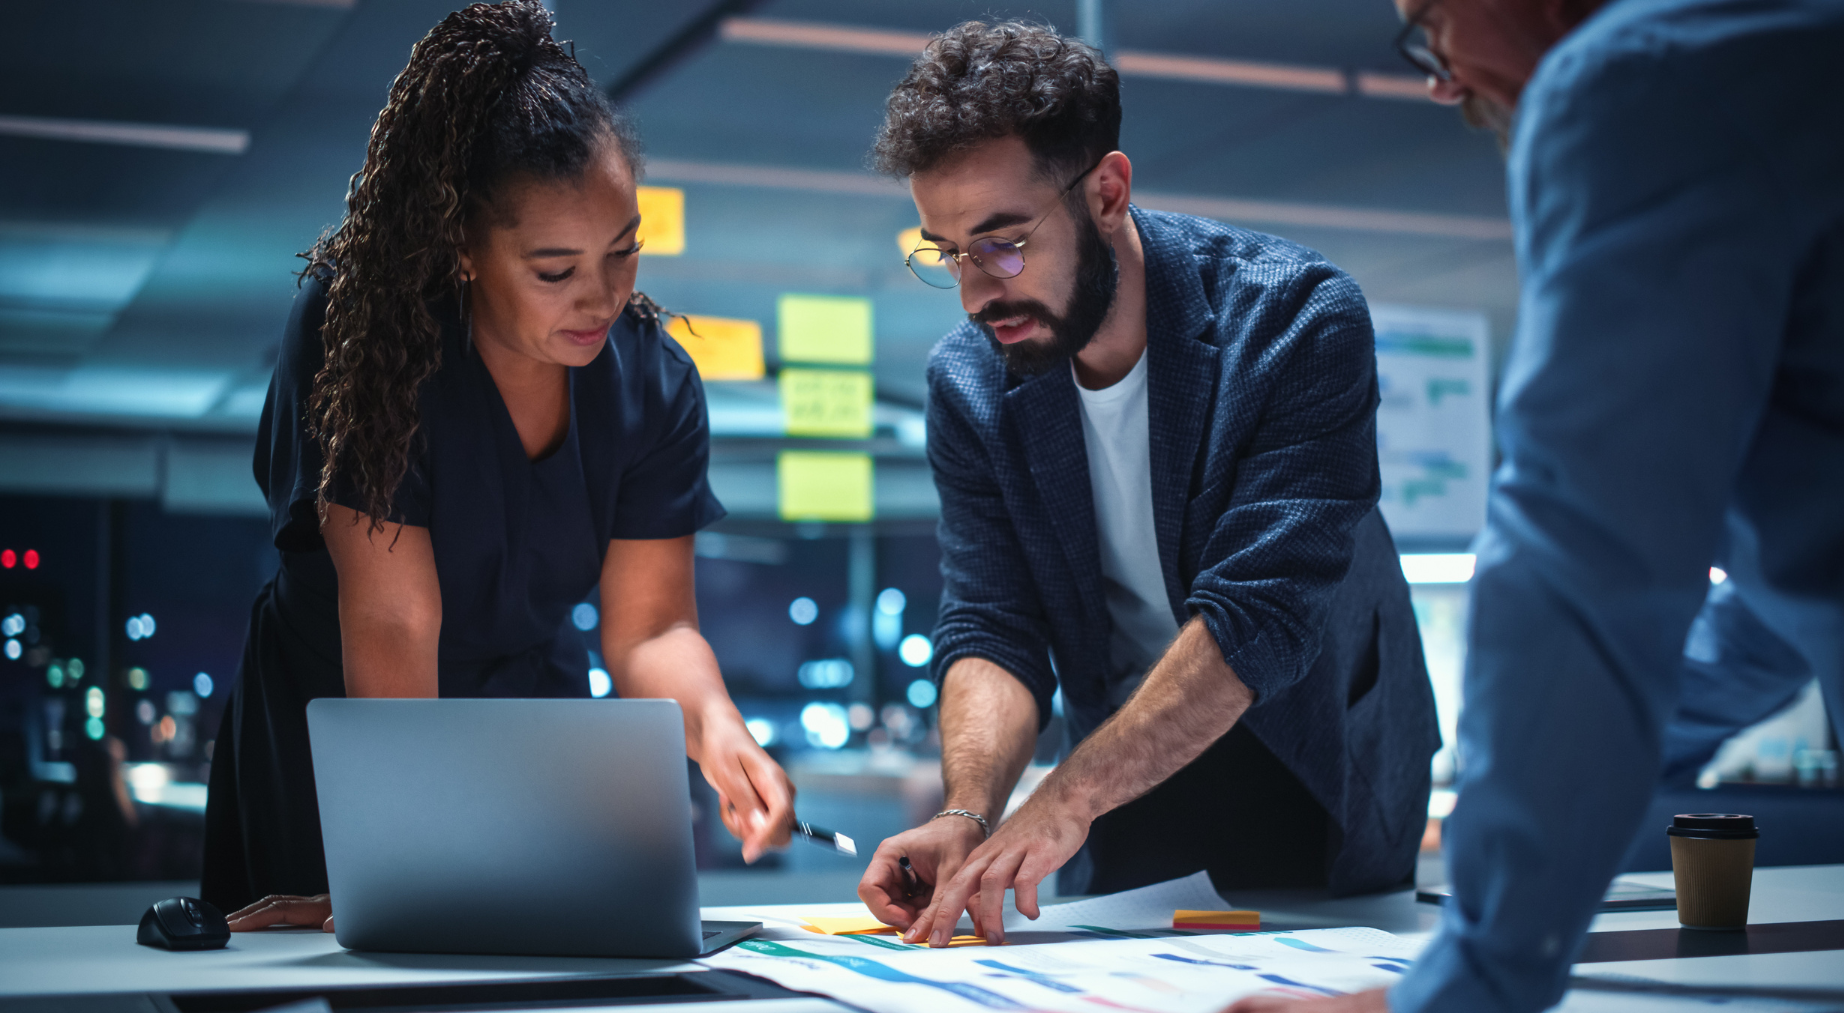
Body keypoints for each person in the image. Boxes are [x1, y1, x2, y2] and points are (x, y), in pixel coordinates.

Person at [1224, 0, 1844, 1010]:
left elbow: (1585, 564)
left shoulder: (1645, 75)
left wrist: (1478, 972)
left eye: (1431, 24)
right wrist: (1589, 783)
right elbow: (1793, 601)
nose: (1440, 79)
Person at [201, 0, 795, 930]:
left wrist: (719, 732)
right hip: (353, 731)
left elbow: (650, 632)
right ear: (463, 251)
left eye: (624, 248)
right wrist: (394, 858)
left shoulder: (655, 379)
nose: (602, 297)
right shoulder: (365, 337)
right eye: (555, 270)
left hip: (527, 728)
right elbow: (397, 617)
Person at [856, 21, 1441, 948]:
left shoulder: (1296, 320)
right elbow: (992, 621)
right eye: (947, 251)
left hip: (1312, 756)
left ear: (1107, 192)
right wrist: (970, 814)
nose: (975, 292)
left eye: (1002, 244)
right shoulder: (969, 382)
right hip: (1120, 771)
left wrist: (1060, 799)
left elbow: (1262, 619)